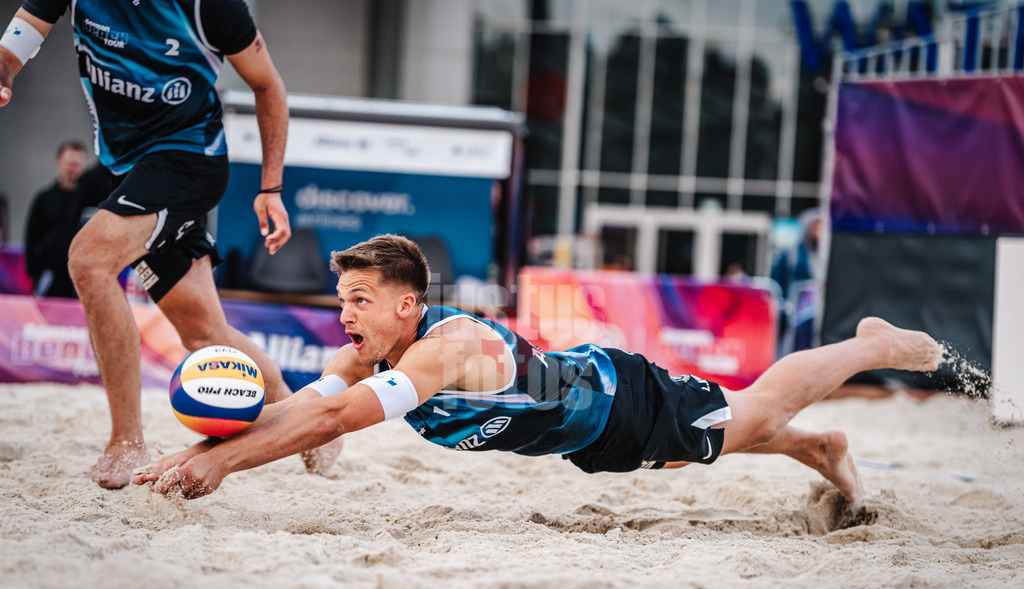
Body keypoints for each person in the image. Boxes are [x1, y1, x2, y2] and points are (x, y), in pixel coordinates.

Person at [133, 235, 944, 507]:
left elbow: (335, 422)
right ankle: (823, 447)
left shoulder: (444, 349)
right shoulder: (361, 355)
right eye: (340, 299)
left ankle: (868, 344)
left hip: (623, 399)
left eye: (360, 300)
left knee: (757, 410)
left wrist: (221, 465)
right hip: (583, 437)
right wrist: (205, 451)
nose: (343, 316)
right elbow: (299, 411)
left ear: (408, 305)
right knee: (719, 441)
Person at [0, 0, 325, 488]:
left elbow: (267, 85)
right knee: (204, 332)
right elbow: (14, 47)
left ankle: (126, 443)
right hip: (128, 171)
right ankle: (304, 416)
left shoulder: (210, 6)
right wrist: (3, 71)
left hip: (189, 160)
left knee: (88, 260)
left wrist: (271, 188)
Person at [24, 140, 90, 297]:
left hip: (81, 276)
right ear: (59, 163)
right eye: (69, 163)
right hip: (50, 274)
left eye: (77, 164)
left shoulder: (90, 201)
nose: (73, 168)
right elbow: (31, 236)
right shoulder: (45, 198)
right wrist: (34, 272)